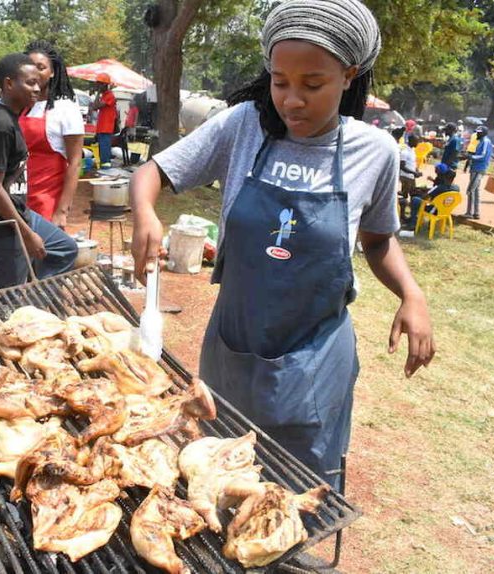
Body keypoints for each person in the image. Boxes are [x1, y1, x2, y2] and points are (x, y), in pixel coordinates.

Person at [130, 0, 434, 490]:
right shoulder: (242, 126)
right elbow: (153, 171)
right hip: (233, 341)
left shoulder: (373, 152)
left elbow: (378, 242)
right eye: (279, 81)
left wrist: (412, 296)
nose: (292, 100)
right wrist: (145, 211)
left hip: (313, 355)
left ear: (349, 76)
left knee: (300, 484)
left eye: (312, 85)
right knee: (219, 469)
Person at [0, 53, 78, 290]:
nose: (37, 88)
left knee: (65, 249)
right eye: (30, 83)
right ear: (9, 84)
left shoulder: (8, 116)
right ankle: (14, 313)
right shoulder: (0, 124)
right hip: (2, 224)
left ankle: (34, 300)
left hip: (21, 212)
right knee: (7, 297)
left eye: (38, 82)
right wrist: (27, 233)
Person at [21, 40, 85, 227]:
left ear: (53, 72)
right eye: (30, 67)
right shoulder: (22, 107)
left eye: (41, 67)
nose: (34, 72)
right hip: (19, 197)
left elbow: (75, 162)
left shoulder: (65, 108)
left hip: (47, 201)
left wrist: (61, 211)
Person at [404, 163, 460, 228]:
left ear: (444, 176)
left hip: (434, 210)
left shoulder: (440, 187)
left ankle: (413, 223)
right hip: (447, 210)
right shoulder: (457, 188)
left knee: (415, 200)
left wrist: (422, 193)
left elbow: (425, 197)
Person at [464, 125, 492, 219]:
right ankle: (476, 212)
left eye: (479, 133)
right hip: (476, 167)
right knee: (475, 190)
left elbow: (483, 155)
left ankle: (470, 212)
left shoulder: (485, 141)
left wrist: (471, 157)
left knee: (470, 190)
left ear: (483, 133)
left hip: (479, 168)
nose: (477, 134)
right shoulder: (481, 141)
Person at [91, 73, 117, 168]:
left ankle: (106, 167)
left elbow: (97, 106)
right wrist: (98, 93)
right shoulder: (104, 95)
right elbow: (94, 107)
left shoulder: (110, 95)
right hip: (101, 127)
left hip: (106, 127)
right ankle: (104, 165)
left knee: (105, 149)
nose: (97, 85)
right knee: (102, 148)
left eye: (99, 84)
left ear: (104, 84)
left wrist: (97, 93)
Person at [399, 133, 422, 198]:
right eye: (416, 141)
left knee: (413, 193)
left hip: (410, 176)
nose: (418, 143)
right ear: (411, 141)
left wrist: (416, 171)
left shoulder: (412, 150)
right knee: (406, 194)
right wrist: (414, 172)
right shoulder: (405, 152)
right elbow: (402, 166)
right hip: (405, 176)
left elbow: (412, 162)